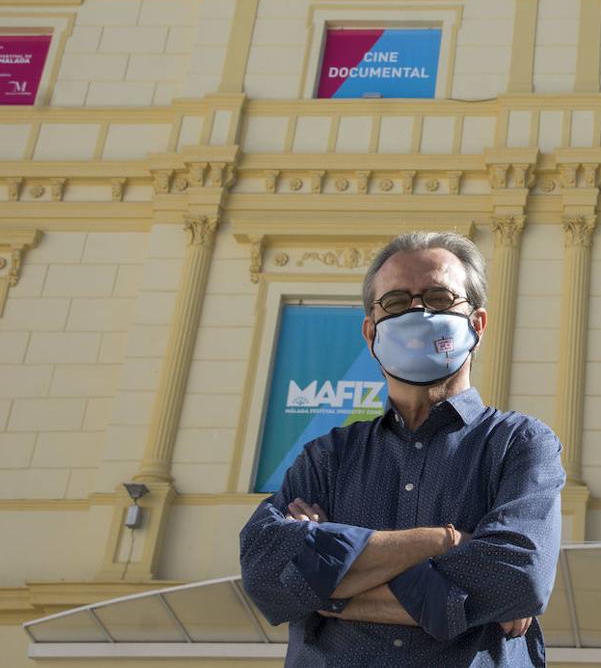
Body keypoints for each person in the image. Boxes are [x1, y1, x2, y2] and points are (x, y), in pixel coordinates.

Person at [240, 231, 565, 667]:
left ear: (477, 323)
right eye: (396, 302)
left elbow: (517, 577)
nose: (417, 311)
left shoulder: (520, 444)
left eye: (438, 297)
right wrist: (443, 542)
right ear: (371, 331)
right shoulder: (327, 457)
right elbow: (265, 574)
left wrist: (326, 590)